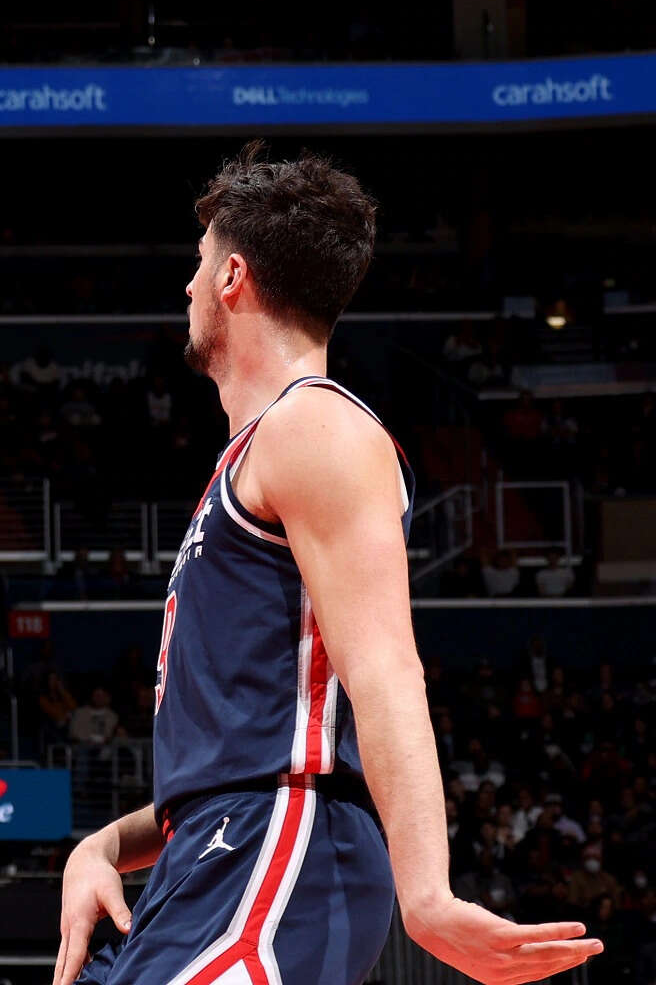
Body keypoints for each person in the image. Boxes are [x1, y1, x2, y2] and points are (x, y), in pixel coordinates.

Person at [53, 143, 601, 985]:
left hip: (279, 850)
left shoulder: (315, 428)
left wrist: (426, 893)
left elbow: (383, 667)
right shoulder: (254, 456)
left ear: (233, 277)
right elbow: (233, 754)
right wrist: (101, 845)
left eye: (198, 267)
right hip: (212, 853)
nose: (188, 288)